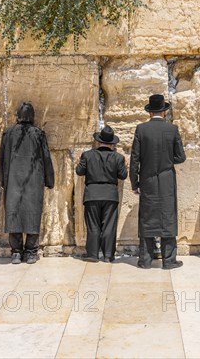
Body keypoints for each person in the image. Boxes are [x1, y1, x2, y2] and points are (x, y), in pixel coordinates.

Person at [130, 94, 186, 269]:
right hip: (167, 181)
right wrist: (167, 159)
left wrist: (135, 182)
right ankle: (169, 261)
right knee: (168, 217)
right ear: (165, 111)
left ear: (149, 112)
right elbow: (180, 157)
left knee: (147, 218)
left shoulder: (141, 129)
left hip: (147, 181)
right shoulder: (173, 129)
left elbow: (134, 159)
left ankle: (145, 260)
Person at [0, 101, 54, 264]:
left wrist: (2, 180)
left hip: (13, 181)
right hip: (34, 182)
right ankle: (30, 252)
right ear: (32, 116)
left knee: (14, 213)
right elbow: (46, 158)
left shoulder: (8, 133)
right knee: (33, 214)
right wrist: (49, 180)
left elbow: (2, 159)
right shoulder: (38, 133)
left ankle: (16, 252)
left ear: (18, 115)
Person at [76, 125, 127, 262]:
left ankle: (92, 254)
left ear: (98, 141)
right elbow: (123, 176)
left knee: (93, 224)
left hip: (92, 194)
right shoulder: (118, 157)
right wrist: (125, 165)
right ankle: (108, 255)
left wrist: (79, 161)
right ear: (112, 143)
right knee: (109, 226)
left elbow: (79, 172)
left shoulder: (87, 155)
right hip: (110, 195)